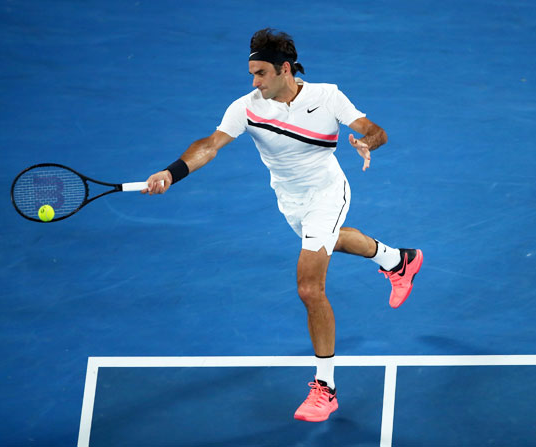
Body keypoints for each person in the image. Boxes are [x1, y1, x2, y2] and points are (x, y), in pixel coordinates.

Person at [143, 28, 423, 423]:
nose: (254, 82)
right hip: (290, 202)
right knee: (331, 243)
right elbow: (210, 144)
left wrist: (366, 143)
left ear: (284, 69)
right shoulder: (246, 107)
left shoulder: (327, 96)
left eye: (260, 73)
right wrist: (173, 173)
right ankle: (399, 260)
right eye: (252, 74)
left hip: (328, 193)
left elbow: (376, 131)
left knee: (310, 288)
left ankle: (325, 389)